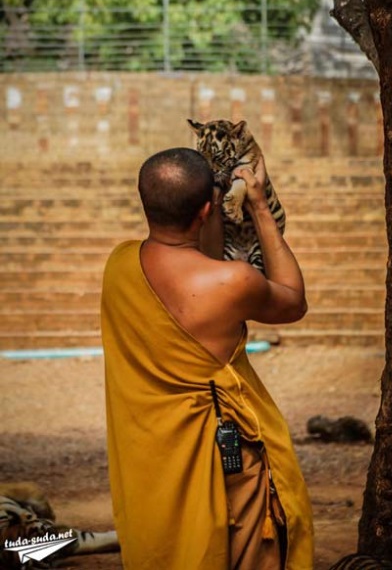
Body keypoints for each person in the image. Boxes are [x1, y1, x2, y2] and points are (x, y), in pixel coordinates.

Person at [101, 147, 314, 570]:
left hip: (153, 458)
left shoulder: (120, 264)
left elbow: (202, 260)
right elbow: (292, 302)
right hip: (227, 459)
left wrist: (210, 203)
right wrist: (258, 206)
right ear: (206, 209)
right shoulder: (232, 282)